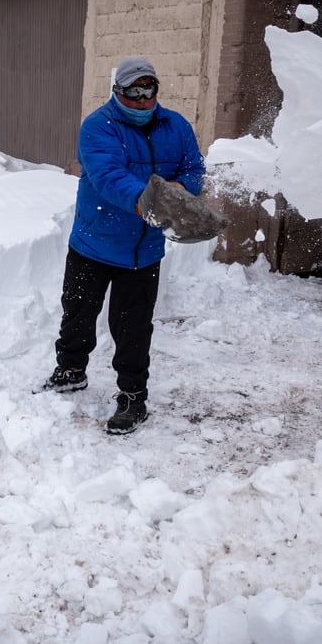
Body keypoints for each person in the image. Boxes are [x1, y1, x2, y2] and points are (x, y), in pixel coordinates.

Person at [35, 56, 206, 435]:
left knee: (133, 328)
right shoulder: (99, 127)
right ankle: (71, 370)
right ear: (118, 91)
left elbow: (194, 169)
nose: (143, 99)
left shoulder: (176, 126)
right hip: (94, 242)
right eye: (134, 91)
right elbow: (108, 176)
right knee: (78, 313)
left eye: (149, 90)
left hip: (143, 251)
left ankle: (133, 397)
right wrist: (151, 200)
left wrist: (179, 190)